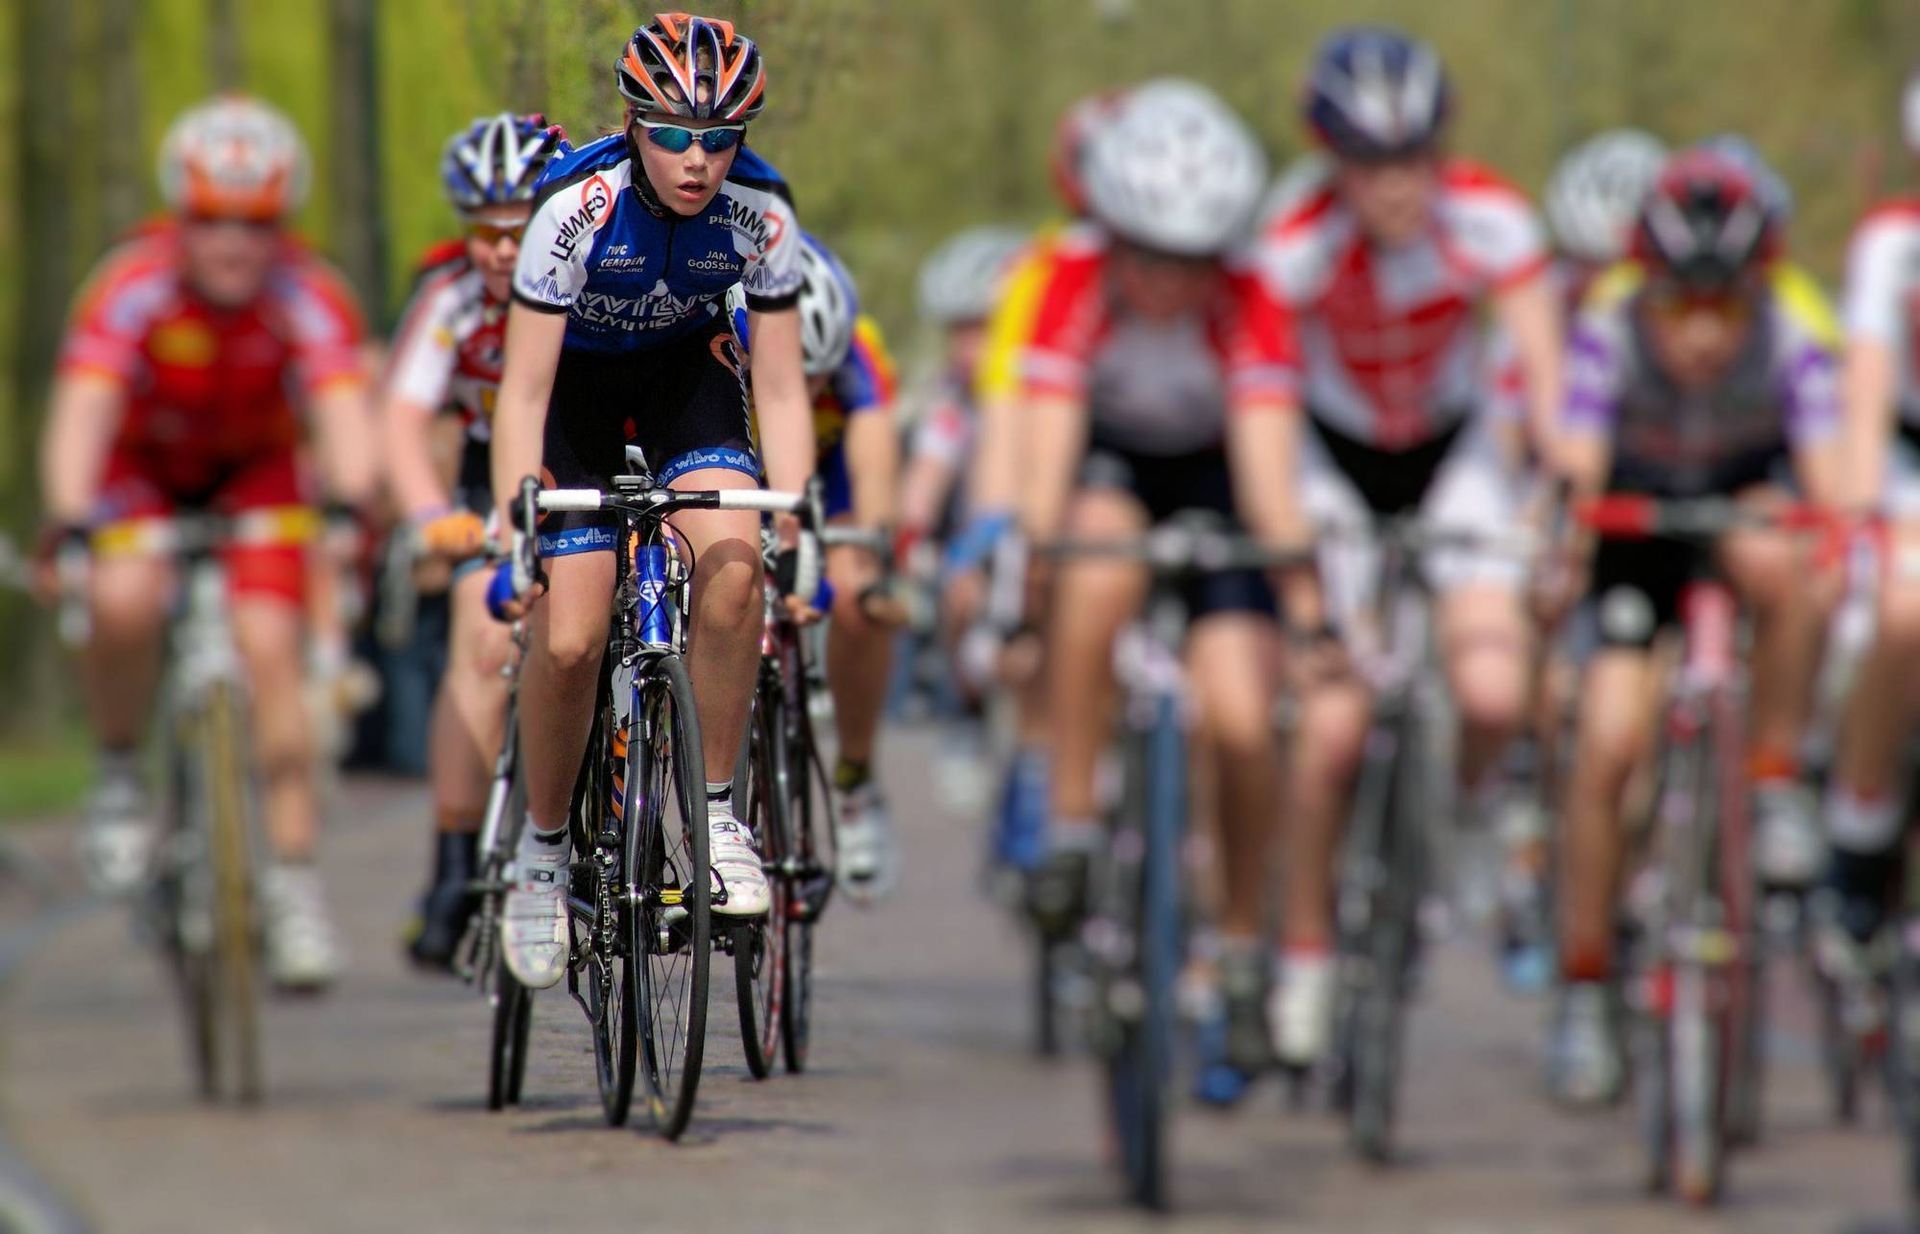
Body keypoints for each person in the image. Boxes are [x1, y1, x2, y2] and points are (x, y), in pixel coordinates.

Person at [970, 79, 1303, 1076]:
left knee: (1243, 718)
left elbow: (1271, 479)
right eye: (1147, 255)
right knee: (1098, 555)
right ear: (1112, 232)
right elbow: (1044, 459)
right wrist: (1023, 571)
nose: (1166, 282)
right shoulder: (1070, 278)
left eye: (1192, 261)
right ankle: (1073, 821)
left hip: (1215, 475)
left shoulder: (1253, 299)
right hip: (1108, 466)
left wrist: (1314, 609)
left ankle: (1242, 948)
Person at [1252, 25, 1564, 1068]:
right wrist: (1293, 567)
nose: (1397, 185)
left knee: (1491, 688)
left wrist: (1554, 503)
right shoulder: (1289, 239)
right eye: (1372, 162)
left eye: (1416, 156)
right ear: (1333, 158)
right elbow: (1260, 406)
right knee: (1331, 726)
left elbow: (1547, 379)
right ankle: (1300, 954)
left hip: (1454, 444)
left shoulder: (1491, 218)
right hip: (1332, 456)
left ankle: (1473, 817)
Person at [487, 13, 815, 990]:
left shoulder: (763, 211)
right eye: (673, 133)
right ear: (633, 124)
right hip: (572, 394)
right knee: (576, 635)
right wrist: (518, 520)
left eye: (721, 138)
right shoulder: (574, 207)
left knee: (735, 564)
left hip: (684, 379)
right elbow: (523, 390)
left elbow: (787, 386)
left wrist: (793, 522)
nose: (698, 159)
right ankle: (545, 854)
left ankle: (713, 814)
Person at [38, 95, 376, 987]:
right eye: (214, 222)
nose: (235, 244)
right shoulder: (131, 283)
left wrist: (348, 501)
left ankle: (294, 888)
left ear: (283, 224)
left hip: (255, 475)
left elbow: (344, 414)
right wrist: (72, 514)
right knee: (122, 598)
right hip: (139, 470)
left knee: (271, 652)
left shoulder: (309, 293)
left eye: (257, 225)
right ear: (177, 218)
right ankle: (119, 774)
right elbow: (84, 407)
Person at [1544, 149, 1843, 1104]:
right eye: (1682, 306)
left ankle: (1773, 772)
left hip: (1737, 509)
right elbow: (1578, 472)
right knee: (1607, 741)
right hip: (1638, 531)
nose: (1707, 335)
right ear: (1646, 291)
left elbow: (1830, 486)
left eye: (1729, 307)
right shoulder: (1607, 333)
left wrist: (1830, 550)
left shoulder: (1792, 335)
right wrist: (1561, 552)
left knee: (1784, 558)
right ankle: (1586, 981)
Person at [385, 113, 568, 970]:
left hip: (578, 462)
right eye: (483, 232)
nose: (499, 251)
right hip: (486, 478)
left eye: (519, 229)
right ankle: (455, 863)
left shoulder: (586, 279)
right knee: (484, 628)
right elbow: (402, 416)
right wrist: (431, 515)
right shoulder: (451, 299)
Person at [733, 232, 904, 900]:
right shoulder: (715, 338)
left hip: (826, 483)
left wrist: (869, 548)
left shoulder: (858, 352)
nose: (801, 393)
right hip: (742, 467)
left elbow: (875, 465)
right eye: (788, 377)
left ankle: (855, 781)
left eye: (817, 380)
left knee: (863, 592)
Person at [1820, 66, 1920, 967]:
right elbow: (1866, 389)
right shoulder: (1891, 243)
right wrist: (1863, 505)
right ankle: (1861, 823)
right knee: (1902, 614)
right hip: (1905, 461)